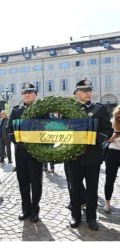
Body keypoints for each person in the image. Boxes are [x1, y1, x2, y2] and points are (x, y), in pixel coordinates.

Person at [66, 79, 113, 231]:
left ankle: (91, 218)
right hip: (73, 157)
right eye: (84, 90)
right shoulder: (68, 109)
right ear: (76, 93)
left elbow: (108, 130)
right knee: (74, 189)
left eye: (89, 90)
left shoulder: (100, 109)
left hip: (92, 157)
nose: (88, 92)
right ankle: (76, 216)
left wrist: (94, 139)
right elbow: (61, 130)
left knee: (92, 189)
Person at [6, 82, 43, 223]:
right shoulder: (16, 111)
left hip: (37, 154)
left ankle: (35, 210)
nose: (26, 94)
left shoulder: (42, 111)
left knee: (36, 183)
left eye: (30, 92)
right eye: (24, 93)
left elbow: (48, 129)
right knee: (23, 182)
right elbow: (9, 129)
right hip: (21, 154)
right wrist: (18, 141)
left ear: (35, 94)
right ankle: (25, 208)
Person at [103, 105, 120, 213]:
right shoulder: (112, 122)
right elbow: (104, 138)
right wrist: (113, 137)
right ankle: (107, 203)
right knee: (110, 179)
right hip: (113, 153)